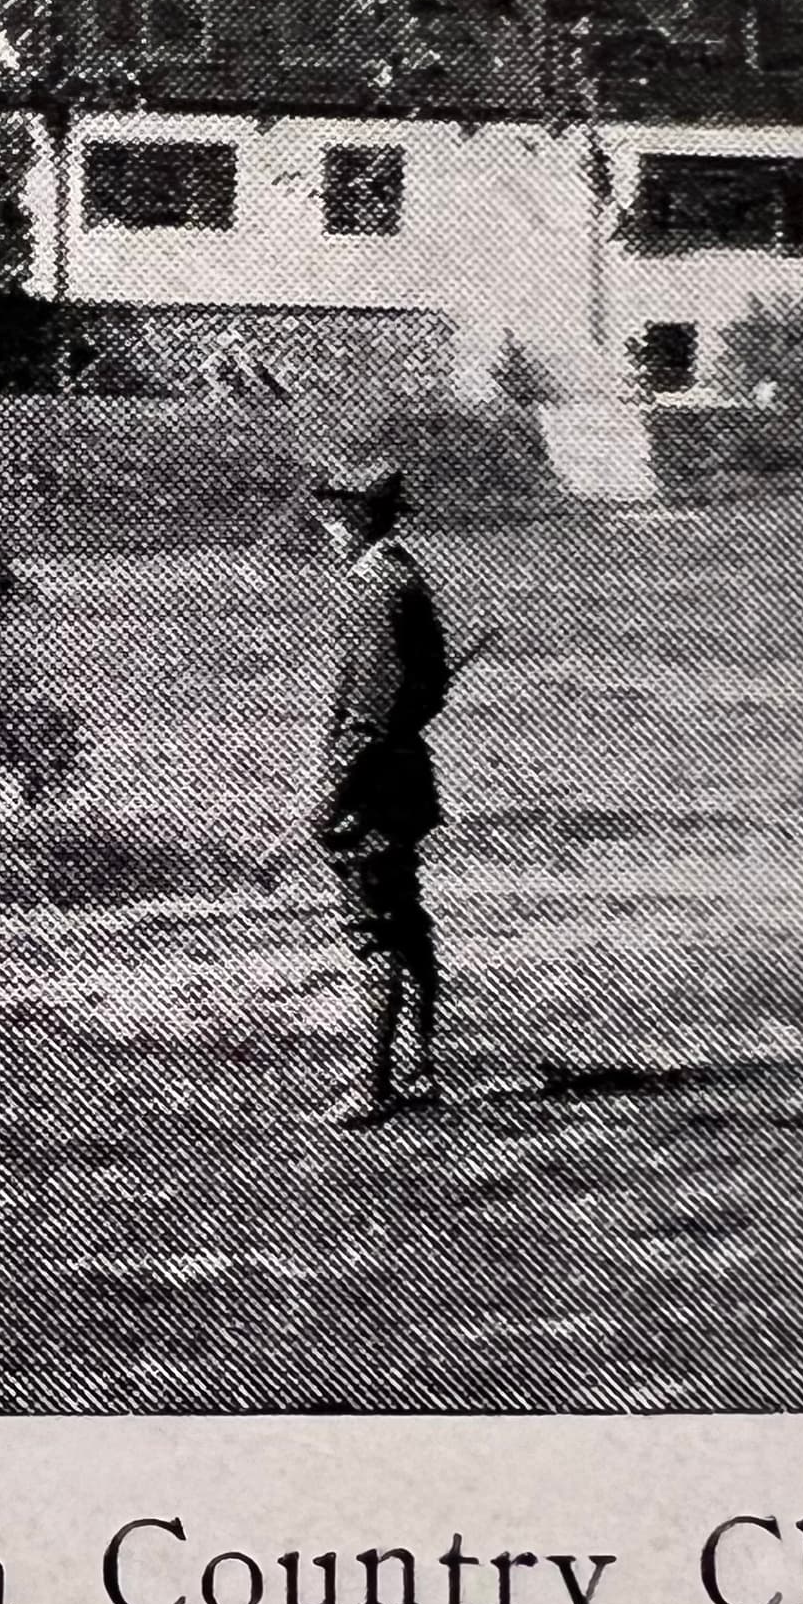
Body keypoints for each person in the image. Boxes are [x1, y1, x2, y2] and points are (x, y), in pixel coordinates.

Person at [307, 458, 452, 1127]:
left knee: (375, 932)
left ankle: (375, 1086)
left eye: (334, 511)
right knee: (407, 924)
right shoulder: (401, 577)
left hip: (373, 784)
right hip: (397, 773)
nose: (325, 523)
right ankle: (419, 1070)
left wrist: (333, 795)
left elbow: (371, 708)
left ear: (363, 515)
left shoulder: (377, 588)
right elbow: (430, 685)